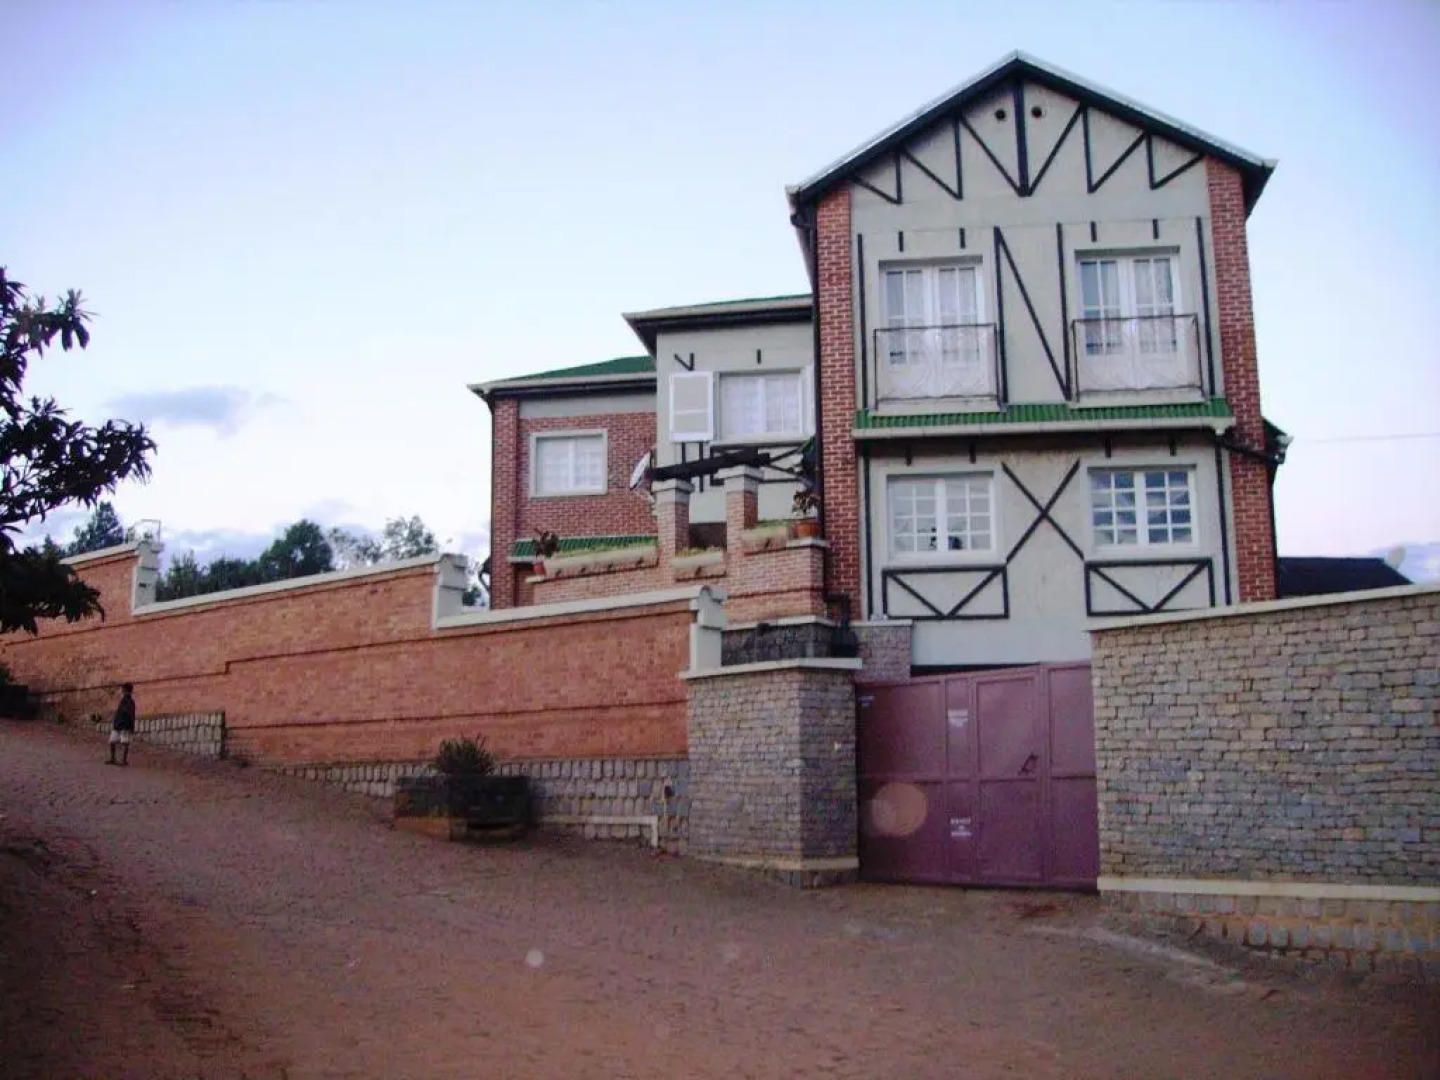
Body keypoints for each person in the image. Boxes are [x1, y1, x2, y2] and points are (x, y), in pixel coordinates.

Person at [107, 683, 136, 766]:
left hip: (125, 725)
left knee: (125, 743)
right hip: (118, 724)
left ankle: (124, 760)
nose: (123, 691)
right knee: (112, 741)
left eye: (124, 690)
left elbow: (130, 715)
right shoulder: (123, 701)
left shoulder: (130, 702)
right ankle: (113, 758)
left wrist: (130, 726)